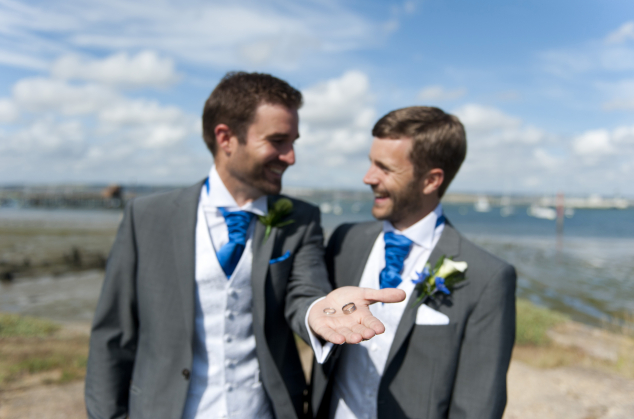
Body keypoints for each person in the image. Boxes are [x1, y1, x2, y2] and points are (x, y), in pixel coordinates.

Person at [85, 72, 405, 419]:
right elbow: (113, 337)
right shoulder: (147, 216)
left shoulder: (301, 219)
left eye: (293, 141)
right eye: (278, 140)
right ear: (226, 138)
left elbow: (305, 291)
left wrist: (320, 312)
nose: (291, 157)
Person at [311, 106, 517, 419]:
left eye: (385, 168)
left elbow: (477, 406)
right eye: (370, 163)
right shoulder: (345, 240)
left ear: (431, 180)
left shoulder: (487, 277)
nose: (368, 178)